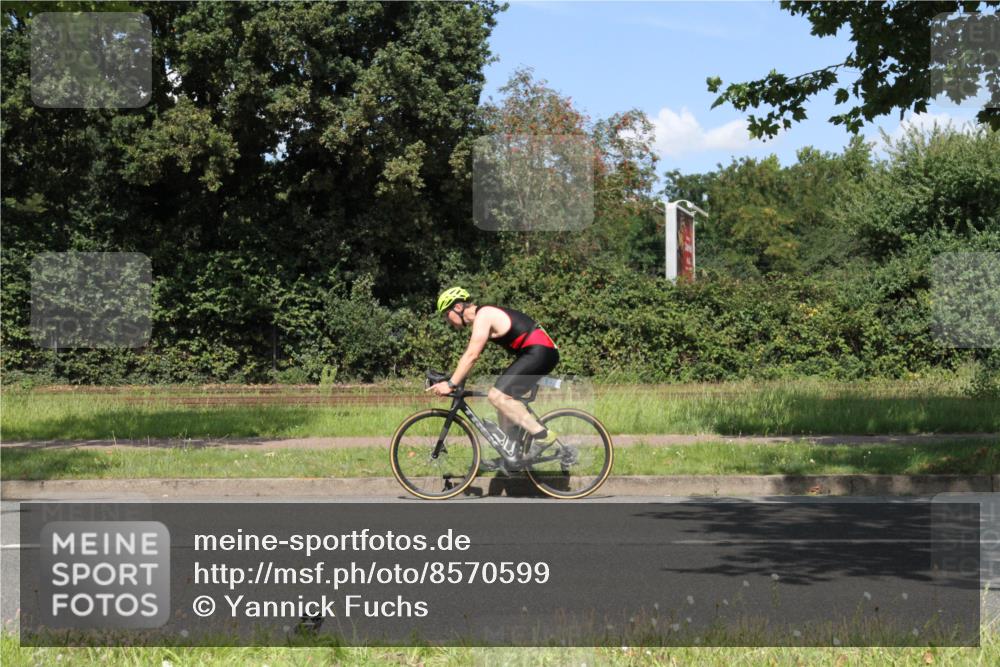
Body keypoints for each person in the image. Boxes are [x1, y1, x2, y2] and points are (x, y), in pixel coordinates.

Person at [427, 286, 559, 458]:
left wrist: (451, 384)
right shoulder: (482, 318)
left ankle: (542, 436)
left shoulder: (484, 315)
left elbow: (472, 355)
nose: (447, 320)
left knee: (497, 396)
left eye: (446, 314)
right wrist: (452, 377)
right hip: (535, 353)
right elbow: (469, 357)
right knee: (503, 403)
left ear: (458, 307)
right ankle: (513, 454)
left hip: (539, 352)